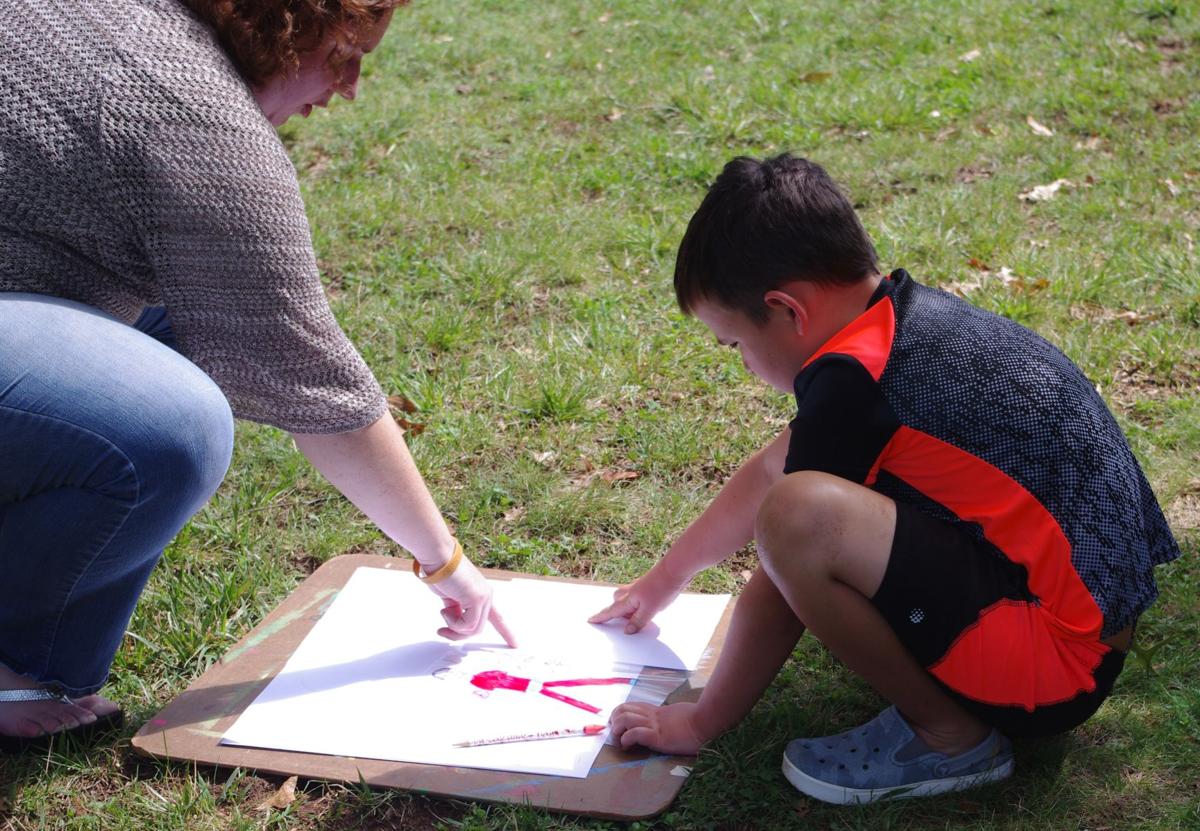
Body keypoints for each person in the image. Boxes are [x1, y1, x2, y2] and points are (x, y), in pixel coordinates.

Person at [0, 0, 513, 751]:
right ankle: (19, 664)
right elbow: (320, 390)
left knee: (186, 319)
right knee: (170, 423)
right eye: (344, 56)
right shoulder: (192, 115)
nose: (350, 88)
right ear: (286, 28)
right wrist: (446, 563)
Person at [591, 154, 1180, 804]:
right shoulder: (899, 324)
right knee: (805, 498)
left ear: (787, 310)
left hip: (1056, 668)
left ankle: (950, 736)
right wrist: (666, 579)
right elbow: (769, 467)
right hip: (1090, 625)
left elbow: (784, 559)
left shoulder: (857, 383)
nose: (744, 364)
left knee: (797, 517)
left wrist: (700, 721)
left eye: (735, 345)